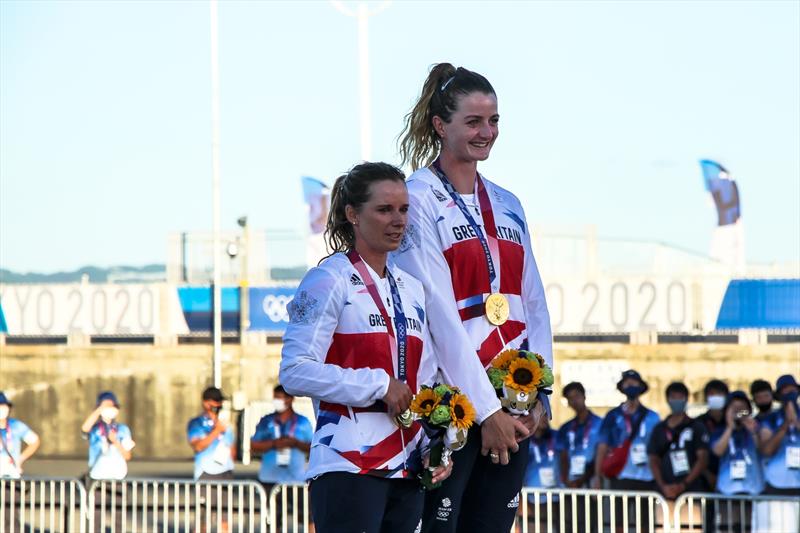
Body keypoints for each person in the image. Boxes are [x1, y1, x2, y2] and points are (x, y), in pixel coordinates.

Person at [394, 62, 551, 533]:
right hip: (454, 406)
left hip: (513, 401)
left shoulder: (508, 202)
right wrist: (487, 411)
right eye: (474, 121)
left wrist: (540, 389)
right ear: (441, 125)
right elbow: (438, 313)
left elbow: (534, 302)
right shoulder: (417, 199)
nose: (487, 132)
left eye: (494, 120)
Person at [279, 162, 452, 533]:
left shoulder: (412, 287)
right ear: (353, 214)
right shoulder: (327, 279)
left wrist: (434, 445)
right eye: (384, 209)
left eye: (404, 209)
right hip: (347, 463)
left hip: (408, 468)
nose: (398, 220)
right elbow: (294, 372)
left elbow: (420, 382)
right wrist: (378, 384)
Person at [594, 370, 660, 529]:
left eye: (634, 382)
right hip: (620, 474)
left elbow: (659, 448)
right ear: (622, 387)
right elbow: (602, 446)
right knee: (619, 522)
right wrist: (597, 476)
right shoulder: (613, 415)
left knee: (645, 523)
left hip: (646, 476)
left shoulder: (653, 417)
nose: (631, 386)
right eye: (627, 383)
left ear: (641, 386)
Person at [710, 391, 764, 531]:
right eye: (734, 409)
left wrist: (753, 431)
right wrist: (729, 427)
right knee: (727, 528)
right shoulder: (720, 431)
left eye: (742, 409)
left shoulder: (756, 428)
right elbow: (717, 451)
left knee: (748, 528)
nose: (738, 412)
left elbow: (763, 450)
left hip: (751, 489)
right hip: (727, 489)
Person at [647, 382, 709, 500]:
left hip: (691, 489)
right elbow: (653, 459)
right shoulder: (659, 429)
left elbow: (702, 459)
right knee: (664, 517)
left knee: (690, 517)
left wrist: (683, 484)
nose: (677, 400)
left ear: (686, 399)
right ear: (668, 400)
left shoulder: (696, 427)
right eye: (673, 397)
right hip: (665, 488)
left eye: (680, 397)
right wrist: (663, 486)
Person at [556, 382, 601, 533]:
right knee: (570, 523)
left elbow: (601, 453)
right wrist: (566, 479)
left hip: (591, 481)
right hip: (570, 483)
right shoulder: (565, 428)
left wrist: (585, 478)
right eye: (570, 398)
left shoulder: (599, 424)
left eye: (577, 396)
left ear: (584, 396)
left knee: (590, 523)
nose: (574, 401)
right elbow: (562, 455)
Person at [251, 385, 313, 488]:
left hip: (295, 480)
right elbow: (253, 445)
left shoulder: (303, 422)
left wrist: (296, 443)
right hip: (269, 479)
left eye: (279, 398)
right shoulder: (266, 421)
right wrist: (273, 444)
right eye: (275, 398)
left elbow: (312, 448)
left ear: (290, 399)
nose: (276, 401)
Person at [758, 374, 800, 494]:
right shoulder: (770, 419)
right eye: (785, 390)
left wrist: (796, 423)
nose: (789, 393)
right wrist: (786, 424)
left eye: (792, 389)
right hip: (777, 482)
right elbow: (766, 451)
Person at [80, 391, 135, 480]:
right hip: (97, 474)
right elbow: (84, 429)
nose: (109, 409)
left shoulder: (122, 429)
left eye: (111, 406)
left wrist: (115, 442)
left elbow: (127, 456)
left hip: (117, 475)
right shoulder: (95, 428)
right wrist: (99, 410)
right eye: (105, 406)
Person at [187, 386, 235, 481]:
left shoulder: (225, 424)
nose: (219, 405)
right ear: (206, 403)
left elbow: (232, 450)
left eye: (220, 401)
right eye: (216, 401)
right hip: (206, 473)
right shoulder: (197, 423)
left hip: (226, 472)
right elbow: (198, 446)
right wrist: (216, 431)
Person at [696, 378, 729, 491]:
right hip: (704, 478)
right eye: (711, 394)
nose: (715, 397)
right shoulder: (698, 422)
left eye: (719, 394)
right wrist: (707, 474)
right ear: (706, 398)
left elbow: (745, 411)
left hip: (729, 475)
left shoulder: (732, 420)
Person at [0, 391, 40, 479]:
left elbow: (35, 441)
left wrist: (20, 459)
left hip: (11, 475)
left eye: (4, 407)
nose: (2, 410)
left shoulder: (16, 425)